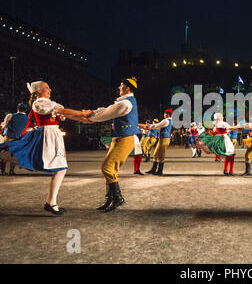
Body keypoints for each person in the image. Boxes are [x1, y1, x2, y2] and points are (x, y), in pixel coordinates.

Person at [0, 81, 88, 215]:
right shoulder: (39, 103)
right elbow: (61, 111)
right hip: (47, 135)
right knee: (51, 165)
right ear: (38, 92)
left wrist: (83, 117)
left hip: (53, 135)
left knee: (59, 168)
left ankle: (51, 202)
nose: (50, 90)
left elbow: (65, 114)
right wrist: (81, 114)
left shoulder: (51, 103)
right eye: (46, 88)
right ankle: (50, 203)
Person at [84, 77, 141, 212]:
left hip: (125, 138)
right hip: (120, 137)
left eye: (121, 85)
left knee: (107, 168)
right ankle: (111, 198)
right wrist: (93, 113)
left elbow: (105, 114)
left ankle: (117, 198)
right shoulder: (125, 101)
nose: (118, 87)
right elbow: (106, 109)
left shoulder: (126, 103)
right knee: (111, 169)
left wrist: (90, 117)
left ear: (127, 88)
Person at [1, 102, 29, 175]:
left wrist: (3, 126)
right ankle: (11, 170)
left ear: (18, 108)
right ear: (26, 110)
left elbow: (4, 125)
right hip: (18, 139)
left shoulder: (10, 115)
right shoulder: (27, 119)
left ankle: (2, 170)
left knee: (4, 153)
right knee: (14, 155)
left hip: (8, 137)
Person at [145, 108, 173, 175]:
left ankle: (160, 171)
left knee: (161, 155)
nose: (164, 114)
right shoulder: (169, 120)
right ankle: (154, 169)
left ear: (168, 114)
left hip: (164, 139)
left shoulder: (166, 120)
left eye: (165, 113)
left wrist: (148, 126)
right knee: (156, 154)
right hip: (163, 139)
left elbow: (156, 125)